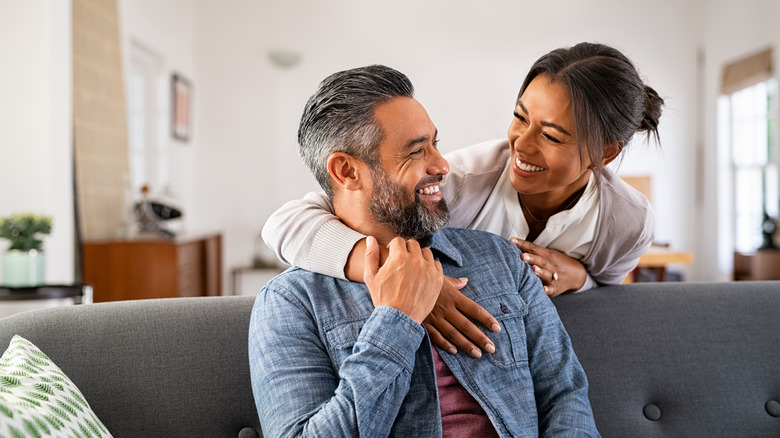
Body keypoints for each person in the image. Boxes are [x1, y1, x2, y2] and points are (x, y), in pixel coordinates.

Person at [249, 64, 599, 437]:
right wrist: (395, 319)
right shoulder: (290, 303)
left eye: (435, 143)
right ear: (347, 172)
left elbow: (565, 396)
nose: (442, 165)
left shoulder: (501, 259)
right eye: (416, 151)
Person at [261, 42, 664, 357]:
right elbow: (285, 224)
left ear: (605, 153)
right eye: (520, 117)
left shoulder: (627, 222)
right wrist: (407, 278)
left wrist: (581, 278)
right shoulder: (462, 181)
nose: (520, 145)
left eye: (552, 135)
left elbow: (608, 295)